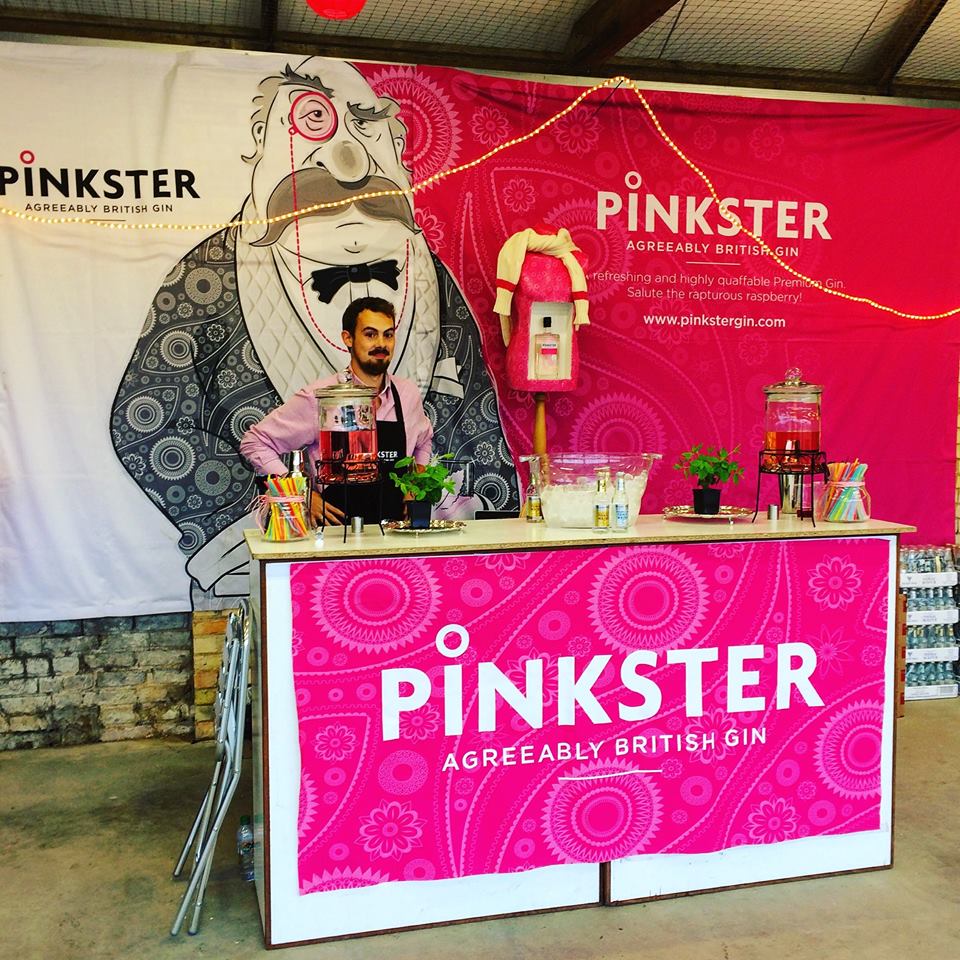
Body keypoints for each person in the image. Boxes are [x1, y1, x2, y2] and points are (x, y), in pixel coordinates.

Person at [110, 56, 519, 601]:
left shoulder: (411, 379)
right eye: (313, 120)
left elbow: (445, 433)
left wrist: (426, 494)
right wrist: (294, 500)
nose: (348, 162)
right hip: (327, 546)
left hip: (399, 544)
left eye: (367, 126)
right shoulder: (216, 293)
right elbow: (150, 420)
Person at [240, 298, 431, 525]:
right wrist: (300, 494)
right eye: (370, 334)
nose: (381, 344)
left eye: (388, 335)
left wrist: (415, 485)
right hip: (336, 533)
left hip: (394, 532)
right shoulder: (320, 398)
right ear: (348, 338)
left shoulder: (407, 395)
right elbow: (255, 442)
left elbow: (424, 441)